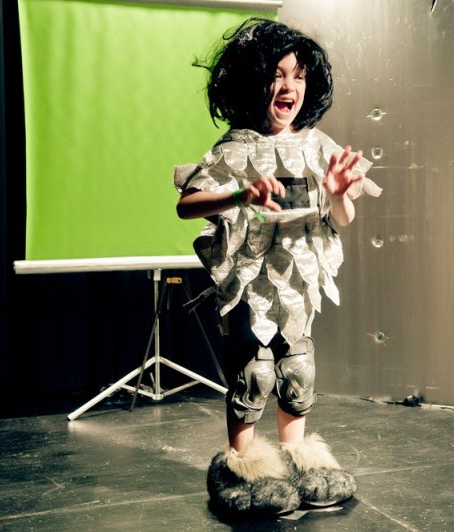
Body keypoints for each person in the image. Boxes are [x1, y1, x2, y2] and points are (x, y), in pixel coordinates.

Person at [174, 17, 381, 517]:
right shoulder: (236, 147)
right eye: (278, 74)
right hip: (250, 278)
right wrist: (241, 193)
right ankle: (243, 463)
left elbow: (343, 218)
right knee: (254, 369)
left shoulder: (316, 145)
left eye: (299, 76)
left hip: (298, 278)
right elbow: (187, 205)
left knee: (297, 366)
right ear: (254, 80)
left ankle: (297, 456)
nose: (289, 86)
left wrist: (335, 195)